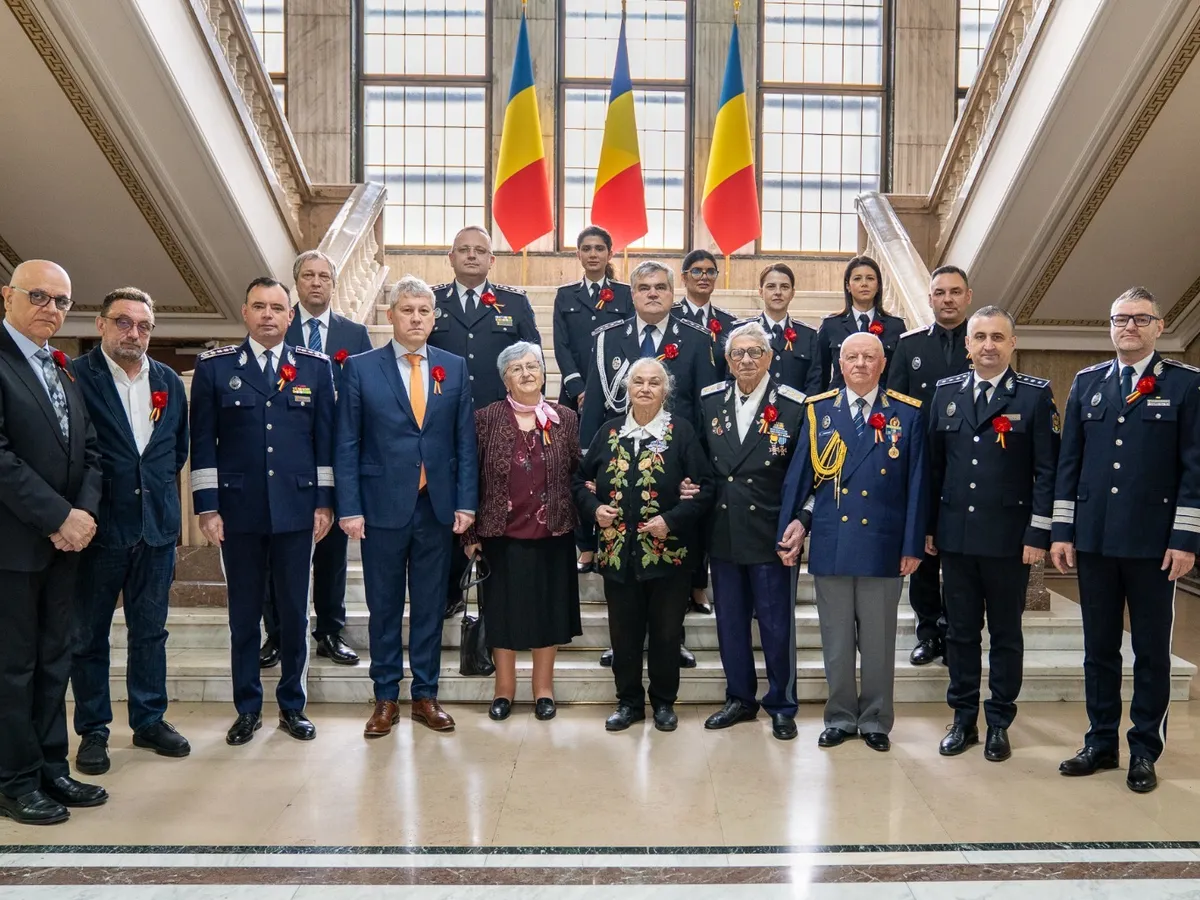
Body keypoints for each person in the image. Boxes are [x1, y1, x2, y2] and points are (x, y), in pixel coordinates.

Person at [1052, 287, 1200, 794]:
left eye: (1140, 319)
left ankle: (1143, 749)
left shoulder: (1184, 385)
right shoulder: (1088, 382)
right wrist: (1063, 530)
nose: (1129, 327)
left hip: (1155, 545)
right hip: (1094, 540)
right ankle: (1099, 742)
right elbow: (1069, 462)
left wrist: (1185, 538)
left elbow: (1193, 470)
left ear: (1159, 327)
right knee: (1099, 649)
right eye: (1120, 319)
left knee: (1153, 652)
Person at [190, 277, 336, 746]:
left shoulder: (313, 368)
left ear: (290, 316)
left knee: (294, 614)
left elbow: (324, 442)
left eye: (278, 308)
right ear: (245, 312)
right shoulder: (215, 368)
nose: (269, 315)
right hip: (238, 512)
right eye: (260, 307)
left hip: (296, 510)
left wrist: (324, 501)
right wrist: (207, 508)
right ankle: (247, 708)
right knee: (244, 616)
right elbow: (203, 444)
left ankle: (293, 706)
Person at [335, 276, 478, 736]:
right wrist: (349, 507)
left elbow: (463, 441)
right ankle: (384, 697)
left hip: (435, 506)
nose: (416, 318)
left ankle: (426, 695)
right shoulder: (360, 368)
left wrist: (466, 503)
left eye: (424, 311)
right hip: (380, 507)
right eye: (407, 310)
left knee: (432, 604)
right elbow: (348, 442)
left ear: (434, 318)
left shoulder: (453, 368)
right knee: (383, 605)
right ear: (391, 315)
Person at [777, 332, 926, 753]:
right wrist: (791, 527)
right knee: (837, 640)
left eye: (869, 356)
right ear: (839, 364)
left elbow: (918, 485)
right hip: (833, 540)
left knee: (878, 642)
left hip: (883, 543)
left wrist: (912, 543)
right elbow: (801, 480)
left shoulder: (907, 414)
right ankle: (840, 716)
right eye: (851, 356)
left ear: (882, 363)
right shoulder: (818, 411)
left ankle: (876, 718)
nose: (860, 363)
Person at [927, 307, 1058, 763]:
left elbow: (1046, 472)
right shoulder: (945, 395)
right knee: (960, 633)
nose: (988, 345)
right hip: (956, 539)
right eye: (979, 337)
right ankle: (963, 718)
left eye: (997, 337)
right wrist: (929, 528)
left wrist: (1038, 533)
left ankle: (999, 720)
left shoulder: (1034, 397)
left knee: (1005, 634)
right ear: (967, 345)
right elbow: (934, 468)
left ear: (1012, 344)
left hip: (1009, 541)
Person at [0, 260, 106, 825]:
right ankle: (14, 781)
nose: (51, 308)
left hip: (65, 546)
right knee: (12, 668)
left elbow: (88, 450)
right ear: (7, 297)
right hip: (14, 547)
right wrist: (56, 516)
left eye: (62, 301)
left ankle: (49, 767)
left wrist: (82, 514)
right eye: (38, 296)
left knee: (52, 661)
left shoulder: (61, 369)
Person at [70, 288, 191, 777]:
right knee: (88, 635)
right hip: (97, 529)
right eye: (123, 322)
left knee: (151, 632)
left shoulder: (167, 381)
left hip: (156, 529)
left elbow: (174, 451)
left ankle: (148, 718)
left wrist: (154, 493)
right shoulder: (76, 378)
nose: (133, 333)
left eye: (143, 326)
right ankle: (94, 729)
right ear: (101, 325)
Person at [580, 259, 716, 664]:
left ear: (673, 294)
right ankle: (622, 640)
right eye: (644, 287)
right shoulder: (609, 338)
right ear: (632, 294)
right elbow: (594, 406)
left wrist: (700, 469)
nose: (652, 293)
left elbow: (705, 406)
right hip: (622, 464)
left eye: (660, 287)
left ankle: (672, 640)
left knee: (673, 556)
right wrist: (589, 459)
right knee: (621, 560)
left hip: (676, 468)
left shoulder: (694, 338)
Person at [575, 357, 714, 733]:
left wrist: (671, 519)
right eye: (638, 381)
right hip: (618, 556)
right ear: (627, 388)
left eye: (654, 382)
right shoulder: (608, 432)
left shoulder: (681, 433)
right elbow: (578, 483)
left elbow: (705, 490)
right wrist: (594, 508)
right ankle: (629, 702)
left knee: (668, 634)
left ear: (665, 390)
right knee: (624, 633)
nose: (646, 388)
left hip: (669, 557)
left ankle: (665, 702)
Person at [260, 249, 373, 669]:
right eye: (308, 275)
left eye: (324, 276)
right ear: (296, 282)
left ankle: (329, 630)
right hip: (283, 460)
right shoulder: (277, 329)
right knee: (276, 551)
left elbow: (361, 399)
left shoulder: (354, 334)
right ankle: (277, 634)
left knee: (332, 551)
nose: (316, 283)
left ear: (333, 283)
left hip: (335, 458)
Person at [464, 342, 582, 722]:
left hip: (554, 533)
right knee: (502, 615)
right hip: (501, 534)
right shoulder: (485, 418)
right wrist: (469, 535)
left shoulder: (565, 418)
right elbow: (470, 475)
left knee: (548, 614)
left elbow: (579, 471)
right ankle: (504, 690)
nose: (527, 373)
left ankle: (543, 690)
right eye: (517, 368)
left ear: (545, 374)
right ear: (505, 379)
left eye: (533, 366)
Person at [700, 323, 806, 741]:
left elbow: (803, 474)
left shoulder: (795, 405)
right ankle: (740, 698)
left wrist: (800, 521)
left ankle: (781, 703)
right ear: (727, 360)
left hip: (770, 532)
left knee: (777, 624)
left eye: (755, 352)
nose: (746, 360)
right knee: (729, 622)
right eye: (738, 353)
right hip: (724, 529)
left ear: (770, 356)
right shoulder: (711, 401)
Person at [431, 225, 539, 618]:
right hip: (443, 426)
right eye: (464, 250)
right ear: (452, 257)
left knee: (500, 512)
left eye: (480, 251)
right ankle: (450, 592)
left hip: (501, 428)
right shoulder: (433, 302)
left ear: (492, 260)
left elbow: (532, 362)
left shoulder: (513, 302)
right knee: (450, 510)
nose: (472, 256)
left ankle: (503, 598)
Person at [888, 265, 974, 667]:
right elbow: (896, 409)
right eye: (940, 293)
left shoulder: (984, 341)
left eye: (955, 292)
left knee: (959, 556)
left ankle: (958, 633)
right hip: (923, 462)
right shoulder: (909, 346)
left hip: (969, 464)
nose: (948, 299)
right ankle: (928, 633)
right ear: (930, 299)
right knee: (922, 553)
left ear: (968, 297)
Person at [550, 226, 632, 575]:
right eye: (586, 248)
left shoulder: (627, 295)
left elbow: (630, 341)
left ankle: (615, 538)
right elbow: (562, 346)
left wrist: (607, 390)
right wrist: (579, 387)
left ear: (610, 253)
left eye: (600, 248)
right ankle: (585, 546)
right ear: (579, 255)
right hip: (574, 398)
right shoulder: (566, 296)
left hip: (618, 398)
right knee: (579, 471)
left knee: (616, 468)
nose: (593, 254)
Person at [816, 256, 905, 392]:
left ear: (878, 285)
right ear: (848, 286)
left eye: (870, 278)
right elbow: (821, 373)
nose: (864, 284)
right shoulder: (831, 325)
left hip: (883, 404)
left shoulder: (895, 326)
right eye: (857, 279)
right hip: (839, 405)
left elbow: (900, 375)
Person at [737, 263, 822, 397]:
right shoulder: (743, 333)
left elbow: (815, 382)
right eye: (771, 287)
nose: (778, 292)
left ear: (792, 293)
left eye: (784, 287)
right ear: (760, 292)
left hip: (796, 413)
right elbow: (733, 376)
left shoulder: (808, 335)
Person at [674, 249, 737, 378]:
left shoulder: (728, 323)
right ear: (683, 277)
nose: (704, 277)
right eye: (696, 271)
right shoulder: (671, 316)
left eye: (711, 272)